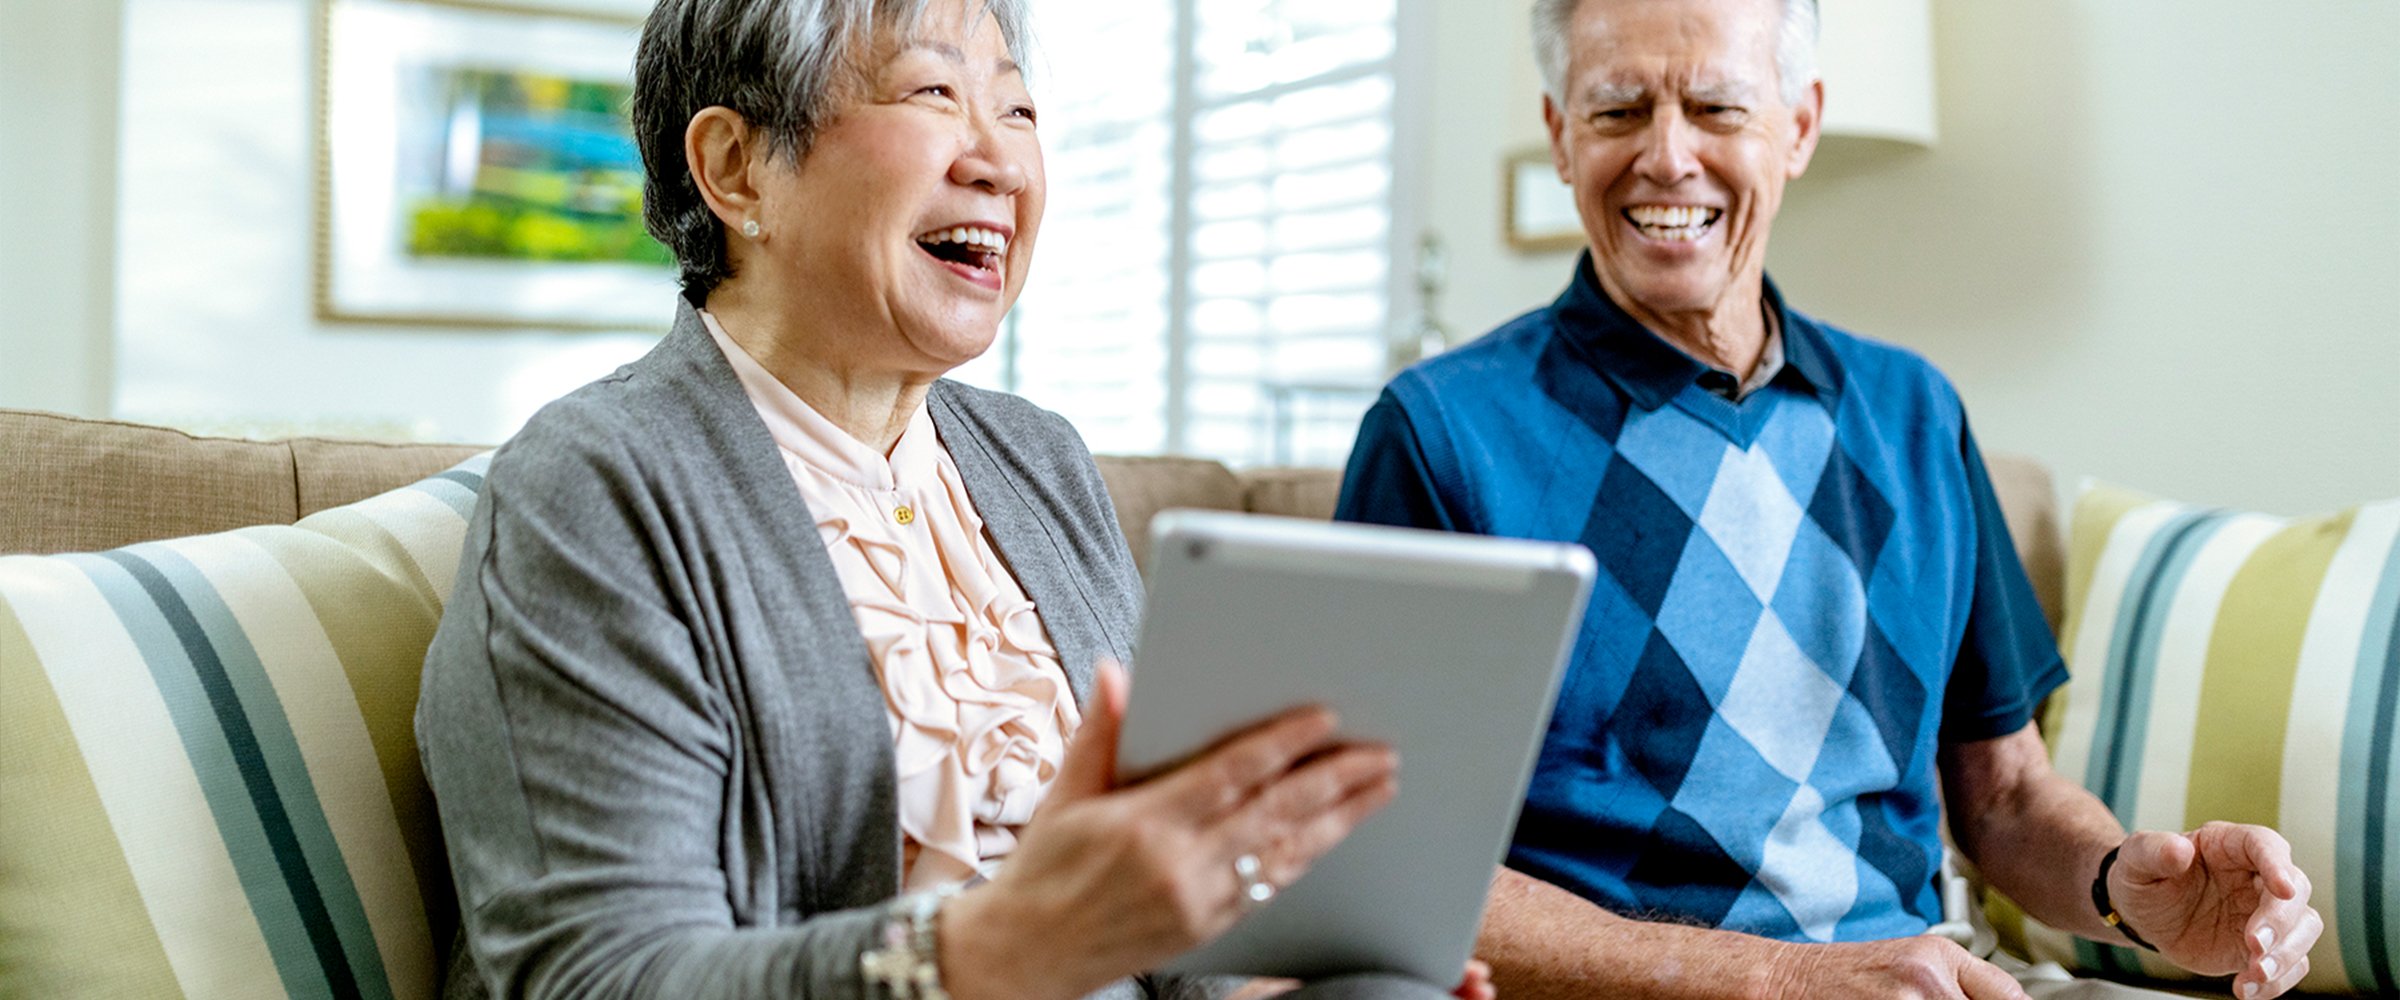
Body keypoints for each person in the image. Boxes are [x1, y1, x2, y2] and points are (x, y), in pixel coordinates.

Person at [413, 2, 1493, 999]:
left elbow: (1160, 924)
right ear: (736, 171)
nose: (1001, 161)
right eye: (934, 94)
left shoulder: (1041, 462)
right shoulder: (594, 490)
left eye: (1017, 108)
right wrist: (1001, 947)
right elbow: (600, 974)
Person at [1334, 0, 2323, 997]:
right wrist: (1780, 978)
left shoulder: (1915, 412)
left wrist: (2122, 885)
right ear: (1558, 132)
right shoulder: (1441, 434)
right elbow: (1380, 860)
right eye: (1617, 110)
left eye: (1717, 107)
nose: (1668, 155)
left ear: (1799, 125)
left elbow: (2008, 795)